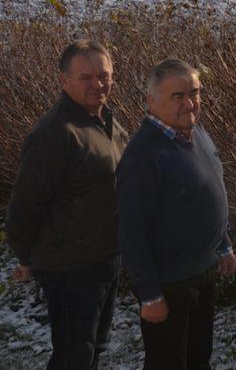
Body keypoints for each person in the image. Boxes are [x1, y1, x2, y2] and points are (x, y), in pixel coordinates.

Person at [5, 39, 128, 370]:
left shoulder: (107, 121)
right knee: (74, 357)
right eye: (86, 77)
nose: (97, 84)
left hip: (105, 259)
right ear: (63, 80)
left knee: (94, 349)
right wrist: (28, 257)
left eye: (103, 75)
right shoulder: (56, 134)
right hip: (71, 267)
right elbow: (24, 207)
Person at [116, 58, 236, 370]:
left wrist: (222, 244)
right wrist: (150, 294)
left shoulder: (197, 134)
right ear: (151, 101)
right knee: (168, 363)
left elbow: (207, 192)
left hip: (202, 272)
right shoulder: (142, 156)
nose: (190, 103)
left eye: (194, 92)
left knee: (198, 358)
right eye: (178, 96)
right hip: (169, 283)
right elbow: (131, 231)